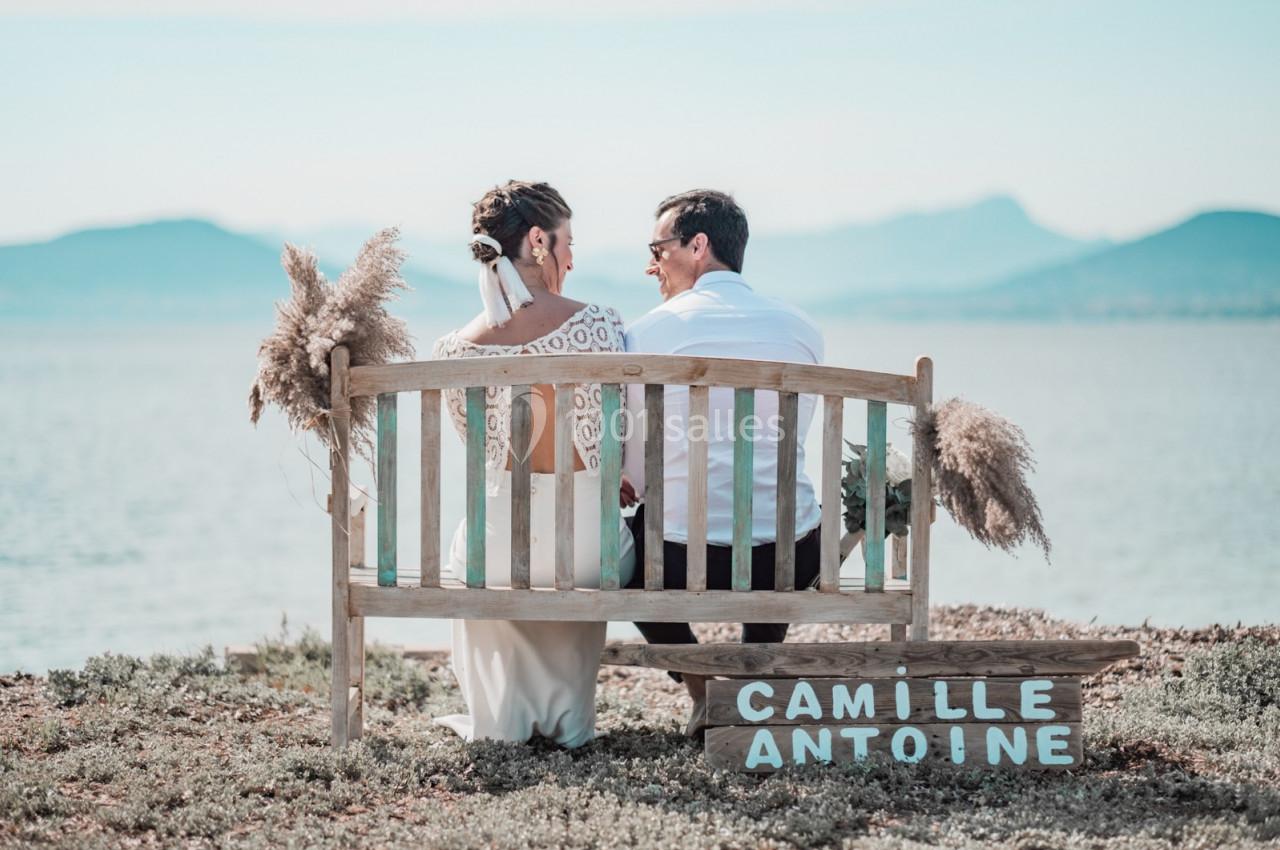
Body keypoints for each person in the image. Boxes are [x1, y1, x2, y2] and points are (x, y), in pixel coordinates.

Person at [431, 180, 636, 748]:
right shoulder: (600, 324)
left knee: (477, 549)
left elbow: (480, 448)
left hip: (494, 550)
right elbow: (614, 434)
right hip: (587, 551)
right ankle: (567, 717)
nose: (573, 255)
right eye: (569, 241)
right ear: (540, 240)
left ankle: (503, 716)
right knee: (594, 539)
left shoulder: (453, 348)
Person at [620, 189, 825, 736]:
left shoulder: (648, 334)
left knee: (625, 561)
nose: (651, 264)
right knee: (777, 516)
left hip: (681, 558)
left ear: (698, 246)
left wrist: (634, 484)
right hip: (792, 556)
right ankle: (753, 683)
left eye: (658, 247)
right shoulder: (802, 330)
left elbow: (635, 473)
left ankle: (705, 689)